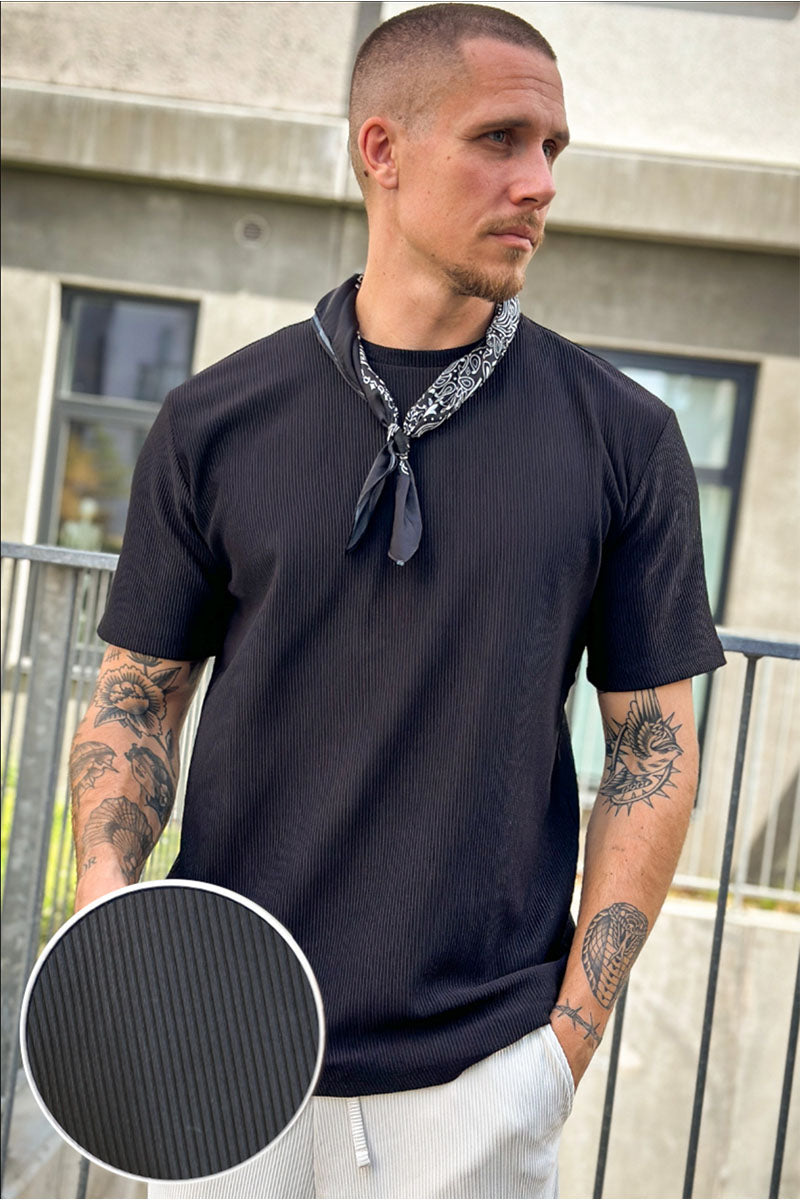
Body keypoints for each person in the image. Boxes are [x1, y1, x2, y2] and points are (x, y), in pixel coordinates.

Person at [68, 4, 726, 1197]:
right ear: (382, 149)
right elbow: (135, 697)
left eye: (550, 150)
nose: (537, 182)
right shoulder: (215, 421)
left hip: (475, 1079)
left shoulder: (621, 439)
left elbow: (650, 748)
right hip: (217, 1050)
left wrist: (561, 1046)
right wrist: (112, 923)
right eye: (498, 139)